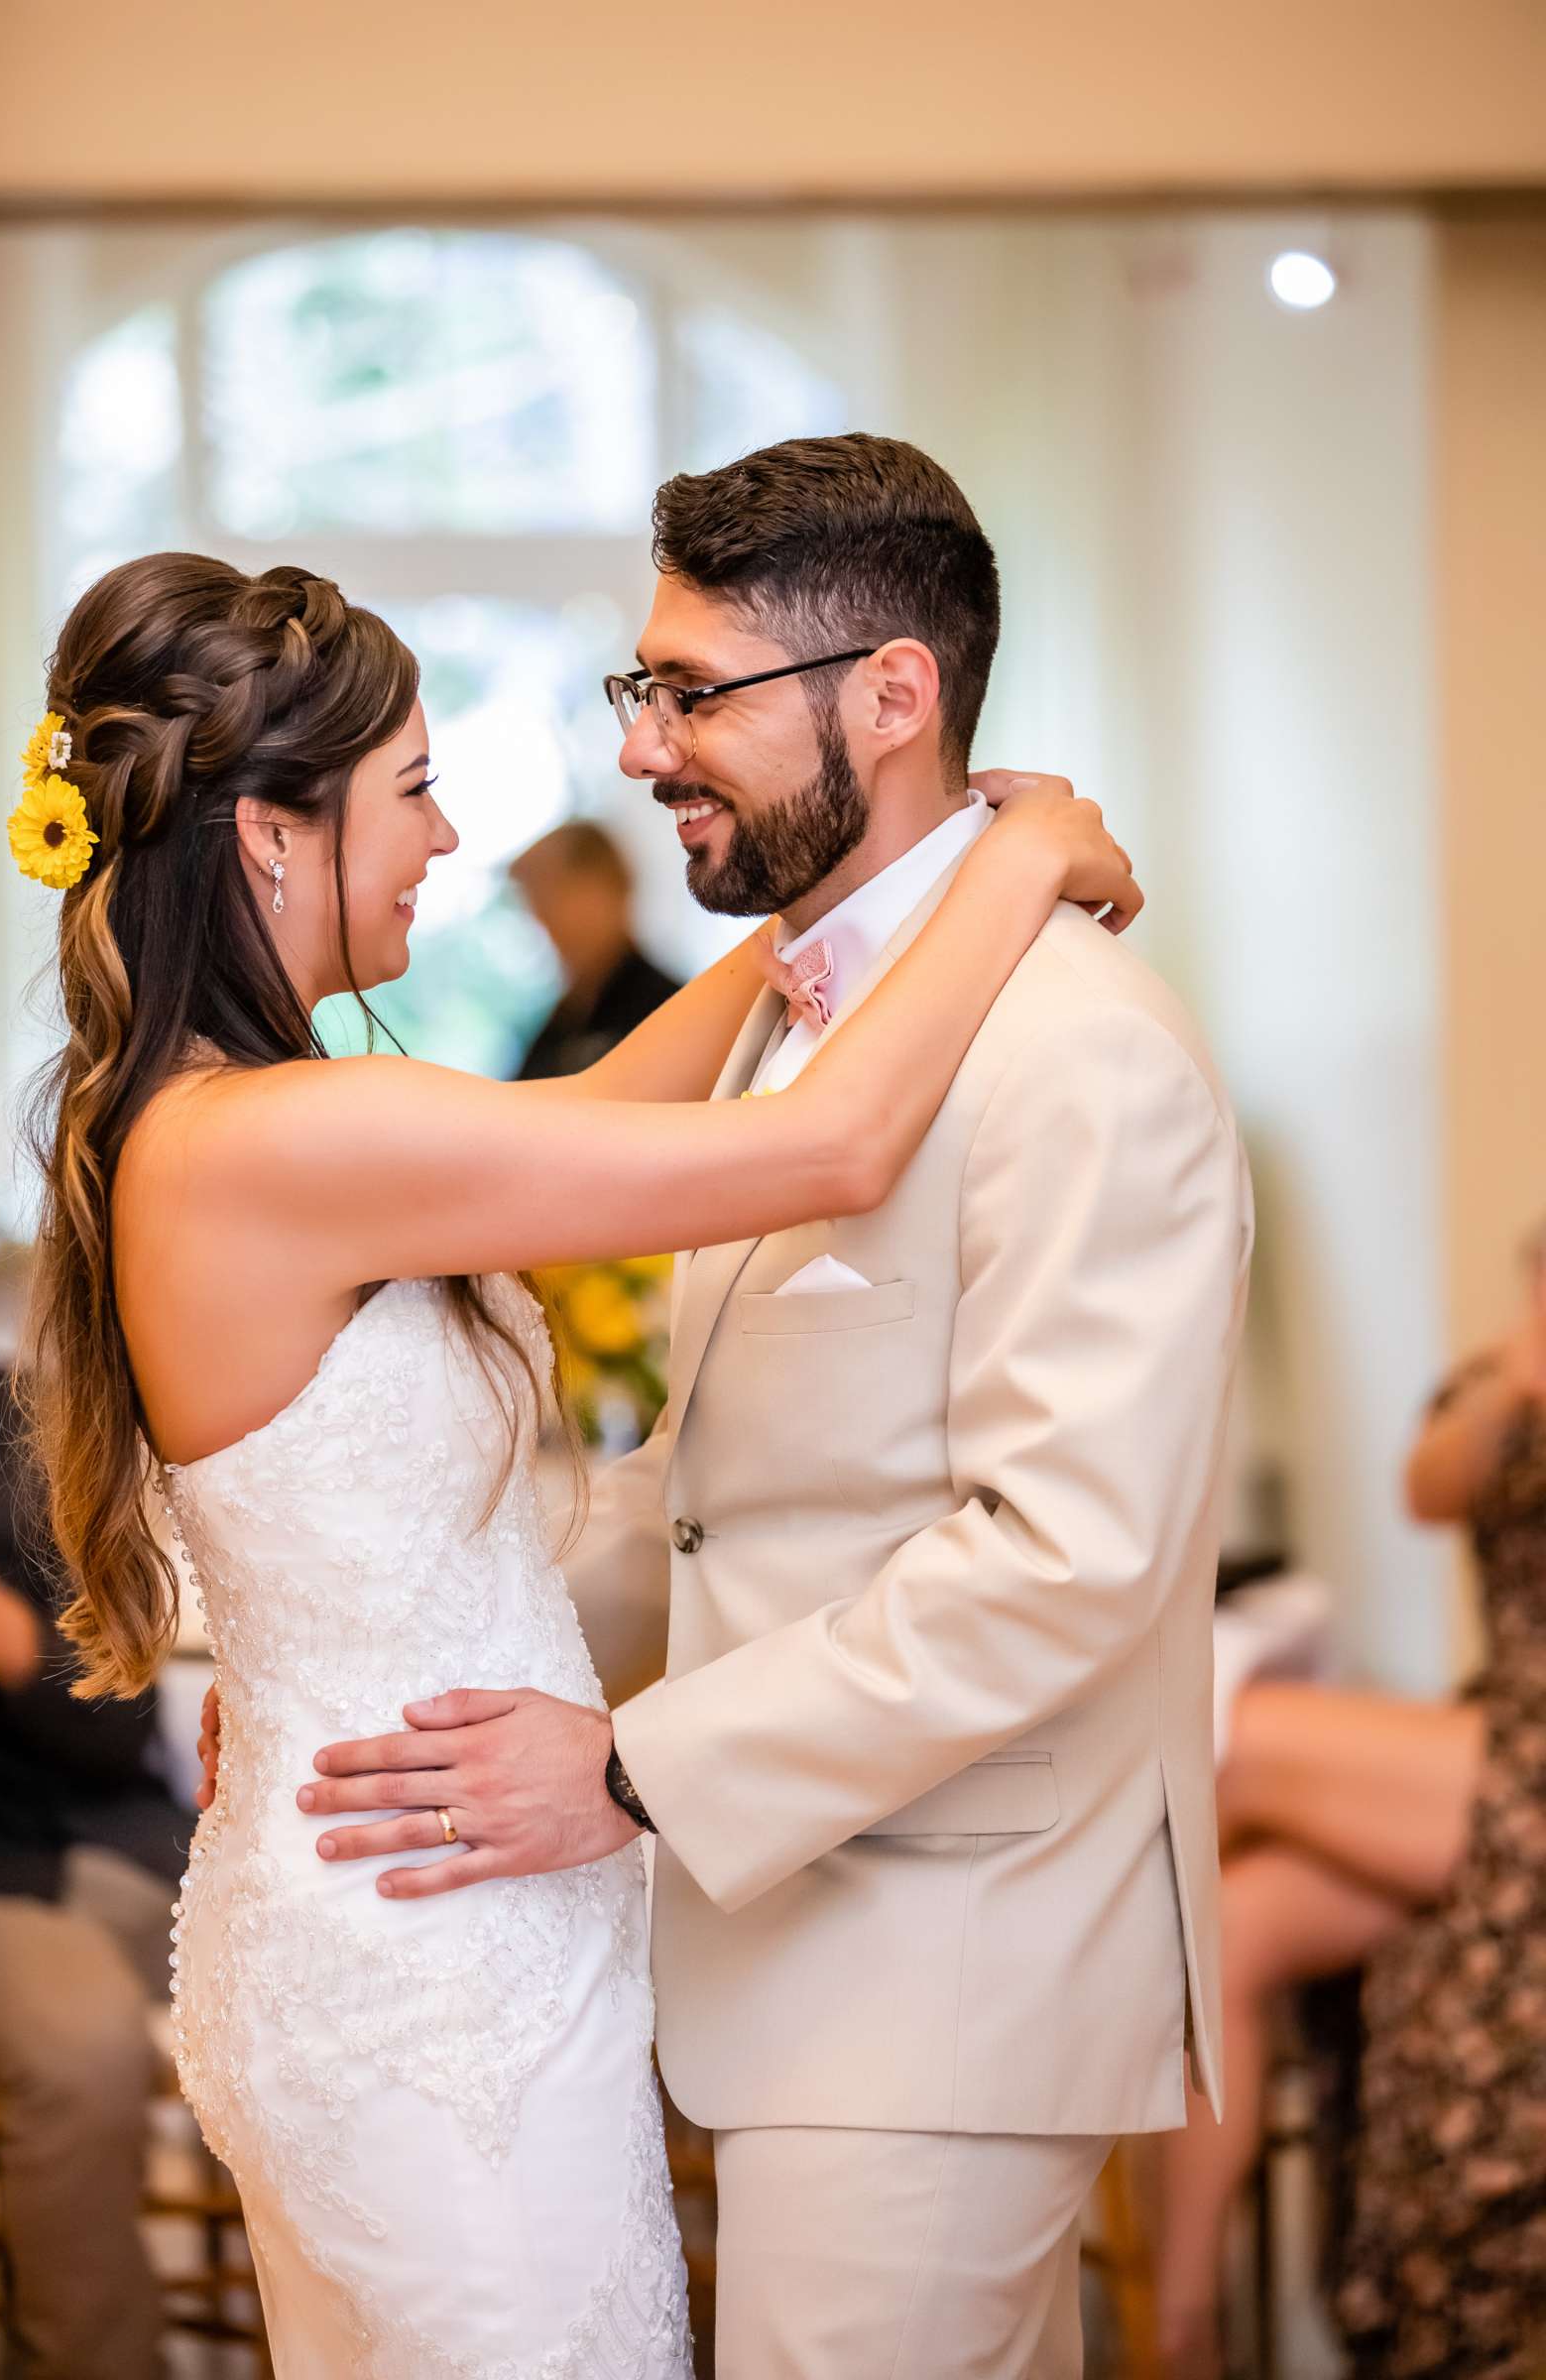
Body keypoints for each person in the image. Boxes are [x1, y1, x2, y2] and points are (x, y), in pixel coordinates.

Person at [23, 545, 1136, 2380]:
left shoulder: (239, 1118)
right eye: (414, 792)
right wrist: (1013, 864)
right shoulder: (277, 1140)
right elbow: (839, 1148)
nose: (449, 843)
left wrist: (844, 923)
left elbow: (608, 1113)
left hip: (421, 1918)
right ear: (270, 838)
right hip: (426, 1966)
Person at [284, 433, 1253, 2380]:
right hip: (809, 1945)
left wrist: (632, 1770)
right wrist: (389, 1691)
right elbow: (711, 1497)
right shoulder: (797, 1032)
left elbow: (1062, 1562)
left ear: (890, 698)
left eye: (689, 692)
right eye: (640, 690)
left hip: (954, 1963)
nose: (641, 750)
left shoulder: (1076, 1055)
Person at [1155, 1230, 1546, 2380]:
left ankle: (1036, 1991)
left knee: (1235, 1738)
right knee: (1235, 1923)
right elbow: (1426, 1487)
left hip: (1516, 1768)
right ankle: (1180, 2327)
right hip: (1495, 1745)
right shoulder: (1498, 1383)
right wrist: (1518, 1377)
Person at [0, 1110, 189, 2380]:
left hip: (85, 1847)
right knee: (83, 2041)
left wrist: (6, 1644)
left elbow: (122, 1726)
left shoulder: (33, 1428)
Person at [510, 819, 681, 1080]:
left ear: (607, 886)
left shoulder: (669, 1008)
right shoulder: (566, 1018)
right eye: (534, 900)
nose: (542, 917)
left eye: (553, 894)